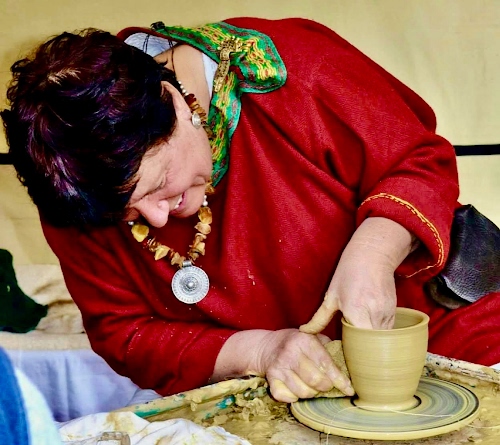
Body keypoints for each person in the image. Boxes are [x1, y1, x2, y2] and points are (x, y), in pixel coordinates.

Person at [2, 17, 499, 404]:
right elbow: (124, 331)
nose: (156, 219)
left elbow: (419, 160)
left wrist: (374, 253)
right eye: (128, 216)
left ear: (176, 103)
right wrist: (258, 351)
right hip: (283, 390)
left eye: (158, 186)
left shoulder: (293, 72)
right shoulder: (72, 177)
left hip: (451, 333)